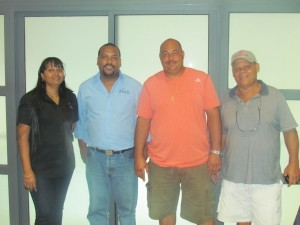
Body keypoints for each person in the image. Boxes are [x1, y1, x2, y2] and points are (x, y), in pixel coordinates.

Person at [134, 38, 222, 225]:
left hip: (197, 162)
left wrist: (215, 152)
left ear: (182, 54)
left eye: (174, 52)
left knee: (204, 216)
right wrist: (138, 157)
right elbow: (143, 121)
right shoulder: (150, 84)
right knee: (165, 213)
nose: (170, 57)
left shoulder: (202, 79)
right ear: (160, 58)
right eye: (165, 54)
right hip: (161, 163)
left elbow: (214, 116)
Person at [216, 50, 300, 225]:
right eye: (237, 68)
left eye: (247, 67)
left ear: (257, 67)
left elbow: (289, 131)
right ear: (233, 72)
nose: (242, 71)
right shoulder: (226, 99)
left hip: (266, 180)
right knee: (241, 222)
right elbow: (223, 134)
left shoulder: (275, 96)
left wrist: (293, 163)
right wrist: (217, 159)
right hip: (234, 177)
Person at [74, 43, 141, 225]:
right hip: (96, 158)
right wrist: (83, 147)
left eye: (114, 57)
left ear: (120, 61)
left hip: (126, 159)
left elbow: (143, 121)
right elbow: (81, 120)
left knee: (127, 211)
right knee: (97, 211)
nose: (109, 61)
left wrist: (143, 152)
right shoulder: (86, 87)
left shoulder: (135, 87)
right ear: (98, 60)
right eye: (104, 56)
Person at [17, 57, 78, 225]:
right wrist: (27, 171)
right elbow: (22, 137)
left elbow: (71, 127)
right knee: (44, 215)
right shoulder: (30, 100)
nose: (56, 73)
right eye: (50, 70)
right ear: (42, 75)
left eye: (59, 69)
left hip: (65, 166)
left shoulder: (70, 98)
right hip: (40, 169)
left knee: (57, 211)